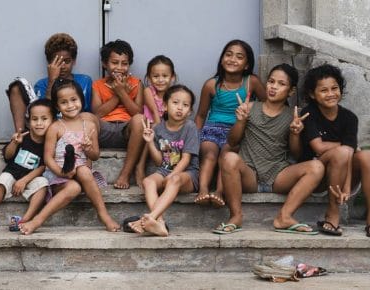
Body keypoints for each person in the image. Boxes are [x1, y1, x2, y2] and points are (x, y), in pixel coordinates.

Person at [214, 63, 324, 235]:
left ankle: (285, 217)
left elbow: (296, 154)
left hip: (278, 175)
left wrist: (295, 133)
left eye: (281, 84)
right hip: (249, 175)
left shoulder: (292, 116)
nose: (274, 87)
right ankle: (235, 216)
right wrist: (241, 121)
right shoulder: (249, 108)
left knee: (317, 167)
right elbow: (233, 141)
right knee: (229, 157)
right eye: (271, 81)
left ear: (291, 91)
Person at [19, 79, 120, 235]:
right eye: (64, 102)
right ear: (57, 106)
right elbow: (48, 158)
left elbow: (95, 156)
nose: (70, 105)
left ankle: (103, 214)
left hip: (81, 173)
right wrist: (61, 172)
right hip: (58, 175)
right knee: (74, 187)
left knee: (84, 170)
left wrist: (88, 149)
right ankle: (38, 220)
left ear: (81, 100)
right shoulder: (56, 127)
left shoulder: (90, 126)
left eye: (74, 100)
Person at [300, 64, 370, 237]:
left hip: (342, 171)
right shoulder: (309, 114)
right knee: (344, 151)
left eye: (334, 88)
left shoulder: (349, 117)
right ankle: (332, 214)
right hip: (317, 176)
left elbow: (348, 152)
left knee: (367, 156)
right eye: (324, 90)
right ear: (312, 94)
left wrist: (347, 187)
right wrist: (346, 146)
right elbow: (318, 147)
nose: (331, 94)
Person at [194, 39, 266, 207]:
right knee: (210, 154)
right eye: (228, 54)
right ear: (221, 59)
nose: (233, 59)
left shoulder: (251, 82)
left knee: (227, 153)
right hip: (212, 129)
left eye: (239, 57)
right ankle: (203, 189)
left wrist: (252, 108)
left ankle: (219, 191)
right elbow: (201, 115)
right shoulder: (211, 84)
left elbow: (268, 104)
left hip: (237, 131)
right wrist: (196, 138)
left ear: (247, 65)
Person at [127, 85, 199, 237]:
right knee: (148, 181)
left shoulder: (190, 127)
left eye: (185, 105)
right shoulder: (159, 128)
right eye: (175, 103)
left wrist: (172, 176)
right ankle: (159, 223)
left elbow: (186, 159)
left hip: (187, 174)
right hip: (165, 169)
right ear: (165, 105)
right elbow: (160, 161)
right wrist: (149, 141)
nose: (180, 108)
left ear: (190, 111)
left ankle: (148, 219)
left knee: (175, 179)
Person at [0, 99, 54, 232]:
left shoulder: (49, 143)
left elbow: (43, 166)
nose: (39, 123)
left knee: (43, 184)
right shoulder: (23, 137)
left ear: (52, 121)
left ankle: (25, 219)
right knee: (3, 180)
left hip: (30, 178)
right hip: (13, 173)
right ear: (28, 121)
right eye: (35, 119)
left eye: (44, 119)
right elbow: (8, 156)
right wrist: (15, 143)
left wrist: (24, 181)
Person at [91, 39, 145, 189]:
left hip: (127, 132)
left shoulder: (136, 83)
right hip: (104, 130)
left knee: (140, 120)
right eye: (115, 63)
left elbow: (137, 112)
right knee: (86, 118)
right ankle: (88, 169)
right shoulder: (97, 85)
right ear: (104, 64)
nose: (120, 68)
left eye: (125, 63)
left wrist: (123, 93)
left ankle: (125, 174)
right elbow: (97, 113)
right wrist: (118, 94)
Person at [135, 55, 177, 187]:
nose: (160, 80)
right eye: (156, 76)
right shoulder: (148, 91)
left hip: (166, 126)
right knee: (153, 131)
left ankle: (169, 167)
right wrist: (162, 130)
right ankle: (140, 166)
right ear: (149, 78)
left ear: (172, 77)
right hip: (151, 123)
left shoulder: (174, 94)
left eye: (165, 76)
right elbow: (154, 112)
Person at [33, 33, 93, 111]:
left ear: (74, 61)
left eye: (67, 61)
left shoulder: (85, 80)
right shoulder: (42, 84)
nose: (63, 67)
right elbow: (45, 113)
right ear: (49, 62)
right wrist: (52, 81)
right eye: (58, 62)